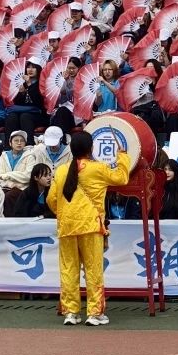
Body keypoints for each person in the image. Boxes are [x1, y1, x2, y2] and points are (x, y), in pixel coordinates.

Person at [45, 130, 130, 326]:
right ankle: (94, 313)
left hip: (67, 226)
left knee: (68, 269)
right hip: (90, 226)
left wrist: (64, 213)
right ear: (91, 148)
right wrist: (122, 156)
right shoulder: (97, 168)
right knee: (93, 270)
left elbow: (51, 199)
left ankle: (71, 312)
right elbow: (121, 178)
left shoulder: (61, 170)